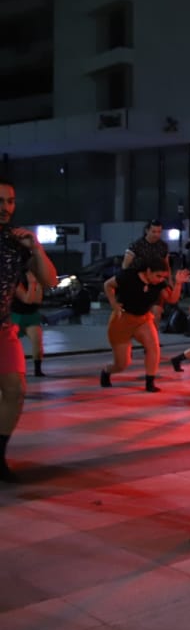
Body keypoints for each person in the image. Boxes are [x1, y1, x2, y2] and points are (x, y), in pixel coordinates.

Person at [0, 183, 57, 481]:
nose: (5, 207)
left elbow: (50, 280)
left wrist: (35, 248)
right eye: (0, 201)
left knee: (15, 389)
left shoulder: (15, 240)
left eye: (10, 201)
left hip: (3, 329)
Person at [100, 258, 189, 392]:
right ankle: (107, 371)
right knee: (122, 364)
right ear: (148, 271)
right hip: (122, 319)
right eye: (157, 276)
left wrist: (178, 284)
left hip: (143, 319)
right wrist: (113, 303)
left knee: (153, 348)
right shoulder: (128, 276)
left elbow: (172, 299)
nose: (160, 279)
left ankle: (150, 382)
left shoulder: (159, 283)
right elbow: (108, 285)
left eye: (163, 277)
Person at [12, 271, 44, 377]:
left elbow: (38, 300)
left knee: (37, 342)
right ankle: (12, 368)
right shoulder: (16, 280)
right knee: (10, 345)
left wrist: (36, 284)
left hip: (31, 315)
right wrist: (31, 284)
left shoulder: (37, 281)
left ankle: (37, 369)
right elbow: (27, 299)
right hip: (15, 315)